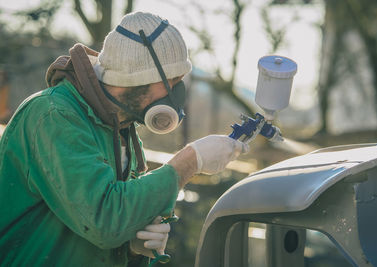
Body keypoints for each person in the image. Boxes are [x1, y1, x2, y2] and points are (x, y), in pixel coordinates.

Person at [0, 11, 248, 266]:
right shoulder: (54, 117)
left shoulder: (118, 127)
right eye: (171, 81)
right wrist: (189, 162)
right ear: (138, 78)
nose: (176, 94)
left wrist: (133, 248)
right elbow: (104, 220)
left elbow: (109, 225)